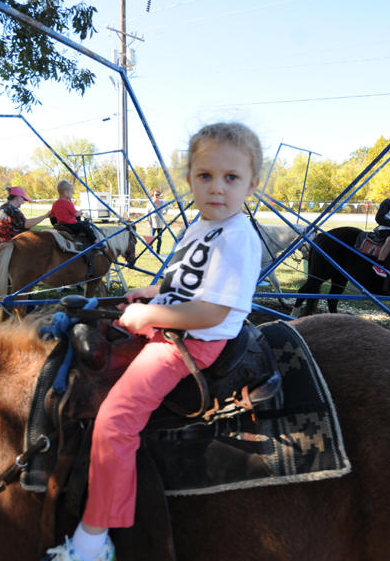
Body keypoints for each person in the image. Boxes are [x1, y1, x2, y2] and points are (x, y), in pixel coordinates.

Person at [50, 122, 263, 561]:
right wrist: (153, 293)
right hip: (171, 323)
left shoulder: (238, 237)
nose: (217, 188)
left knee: (115, 420)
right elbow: (188, 281)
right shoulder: (204, 225)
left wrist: (149, 315)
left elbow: (211, 312)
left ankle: (93, 541)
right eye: (205, 175)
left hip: (190, 343)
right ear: (190, 179)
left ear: (251, 184)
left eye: (231, 177)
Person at [0, 186, 50, 260]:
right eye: (23, 199)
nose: (23, 202)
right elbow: (26, 224)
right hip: (9, 250)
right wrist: (45, 216)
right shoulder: (13, 210)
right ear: (18, 198)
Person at [50, 179, 100, 248]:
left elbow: (52, 214)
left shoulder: (55, 204)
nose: (72, 195)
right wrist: (80, 211)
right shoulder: (68, 203)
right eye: (72, 193)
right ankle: (96, 242)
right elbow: (75, 214)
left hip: (61, 225)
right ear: (65, 193)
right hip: (72, 225)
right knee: (88, 229)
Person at [144, 188, 166, 254]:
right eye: (156, 195)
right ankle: (151, 252)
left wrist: (162, 210)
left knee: (159, 239)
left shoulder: (162, 203)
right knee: (151, 239)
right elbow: (146, 214)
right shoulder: (150, 203)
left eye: (158, 195)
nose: (157, 196)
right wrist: (148, 224)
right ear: (153, 195)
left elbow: (165, 211)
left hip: (160, 224)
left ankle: (158, 252)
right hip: (152, 224)